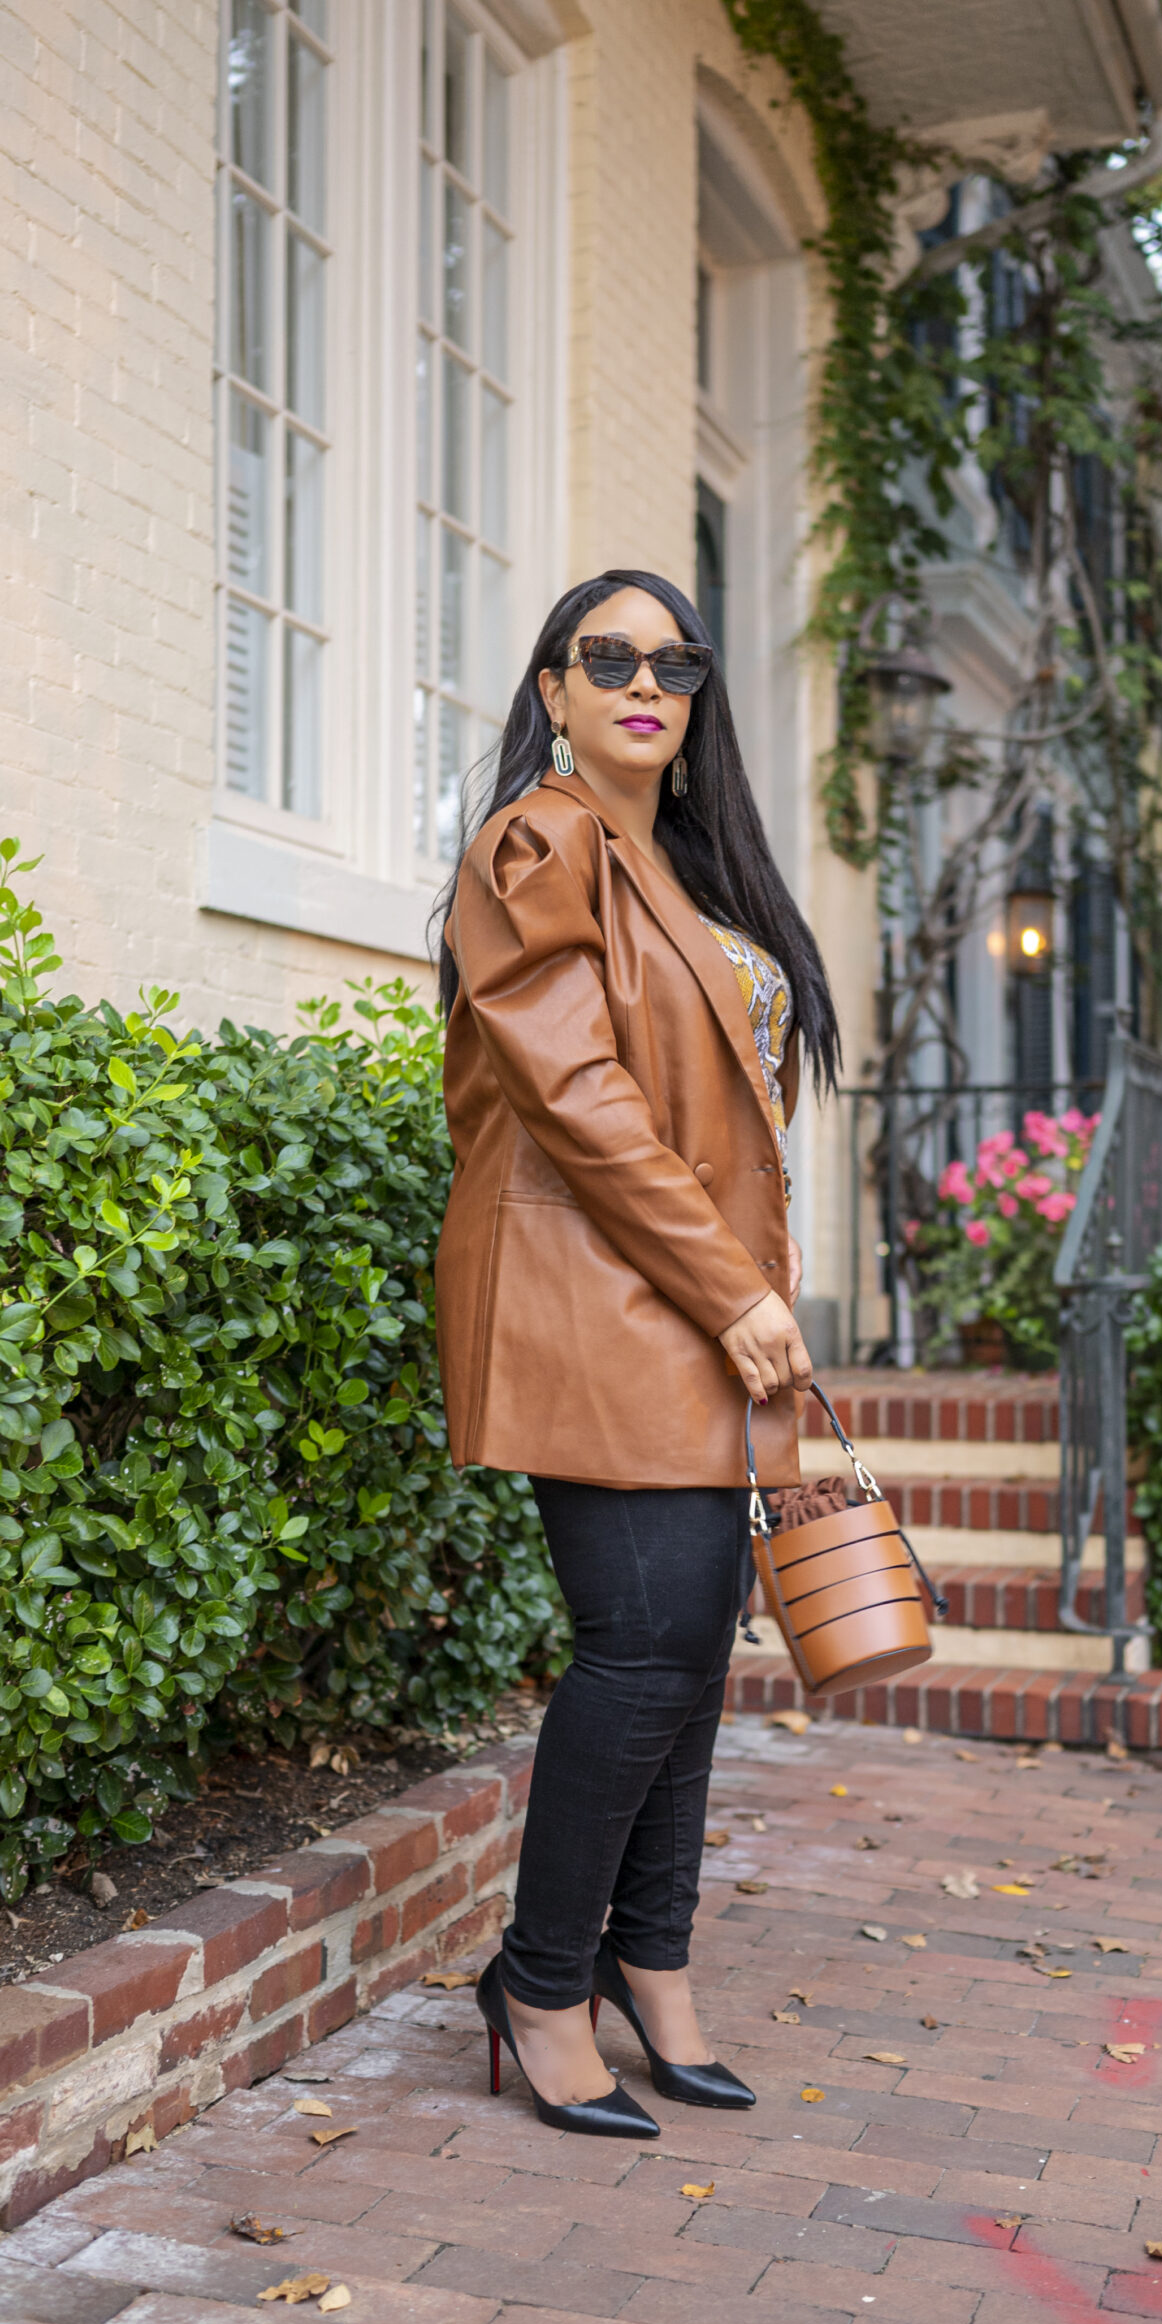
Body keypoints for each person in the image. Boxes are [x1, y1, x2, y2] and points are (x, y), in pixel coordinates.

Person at [433, 569, 839, 2137]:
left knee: (688, 1648)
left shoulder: (679, 866)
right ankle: (539, 1985)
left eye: (676, 659)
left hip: (687, 1293)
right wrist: (735, 1294)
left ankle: (649, 1968)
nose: (643, 681)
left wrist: (748, 1288)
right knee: (643, 1642)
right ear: (551, 689)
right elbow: (578, 1101)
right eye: (606, 657)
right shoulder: (539, 844)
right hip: (600, 1295)